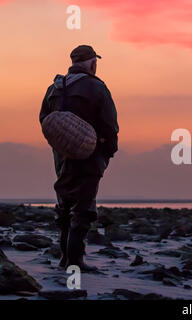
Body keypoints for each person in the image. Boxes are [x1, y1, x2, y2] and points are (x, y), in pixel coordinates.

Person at [39, 45, 119, 271]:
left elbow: (44, 119)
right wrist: (108, 152)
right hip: (89, 157)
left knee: (64, 205)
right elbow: (110, 125)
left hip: (62, 157)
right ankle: (75, 261)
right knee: (84, 208)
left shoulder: (53, 88)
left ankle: (65, 259)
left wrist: (60, 144)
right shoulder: (97, 87)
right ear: (92, 63)